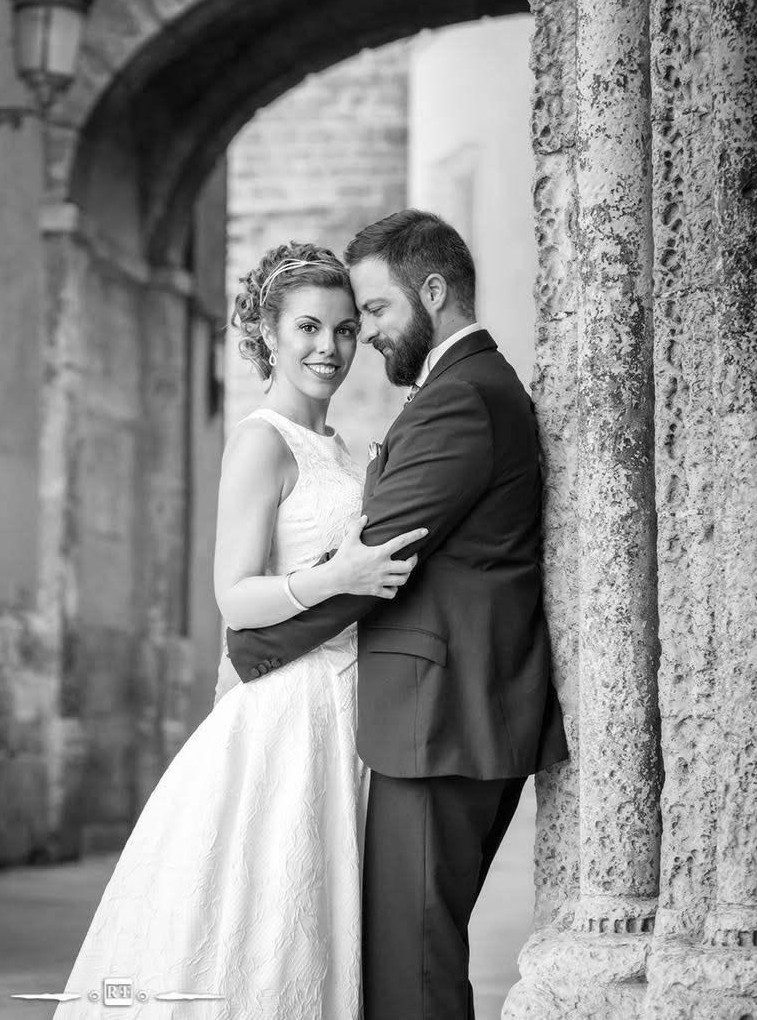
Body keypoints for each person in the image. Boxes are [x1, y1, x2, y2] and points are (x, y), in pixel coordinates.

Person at [54, 242, 426, 1016]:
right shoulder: (261, 440)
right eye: (308, 328)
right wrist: (338, 577)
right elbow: (234, 595)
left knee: (321, 917)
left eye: (346, 329)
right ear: (268, 331)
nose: (330, 347)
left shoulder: (341, 447)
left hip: (347, 706)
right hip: (288, 709)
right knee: (268, 913)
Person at [227, 210, 569, 1020]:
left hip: (438, 719)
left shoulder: (461, 399)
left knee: (409, 969)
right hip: (437, 713)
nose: (362, 338)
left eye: (371, 313)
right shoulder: (468, 389)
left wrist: (254, 641)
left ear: (434, 291)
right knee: (408, 952)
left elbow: (382, 556)